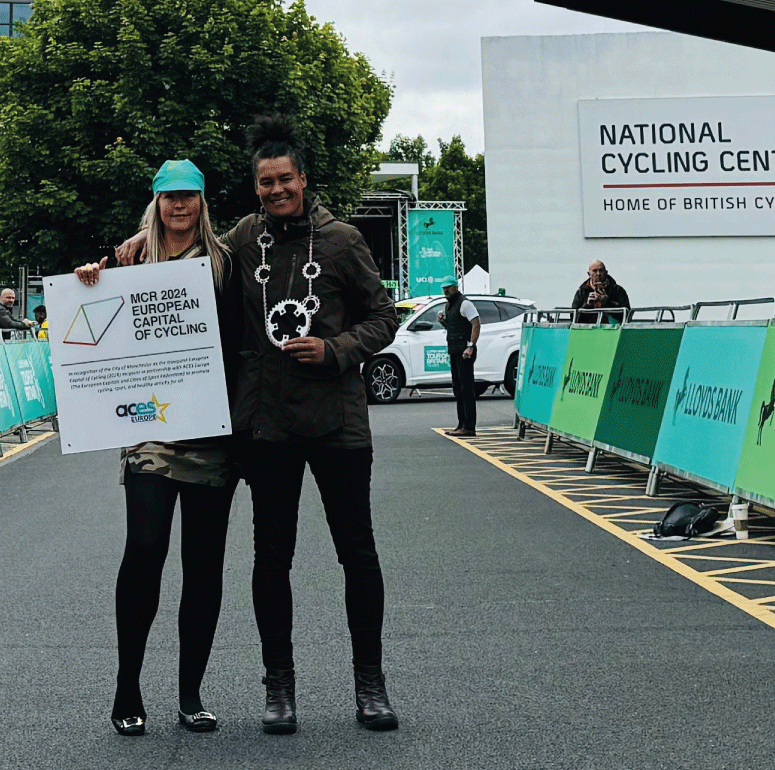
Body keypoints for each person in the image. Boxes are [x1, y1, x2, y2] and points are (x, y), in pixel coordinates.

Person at [223, 116, 399, 733]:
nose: (276, 191)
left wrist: (336, 349)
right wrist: (129, 252)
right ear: (257, 188)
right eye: (266, 183)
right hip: (268, 424)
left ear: (304, 178)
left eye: (285, 179)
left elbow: (384, 318)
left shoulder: (344, 240)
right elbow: (189, 265)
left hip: (338, 422)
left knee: (358, 553)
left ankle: (370, 685)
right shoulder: (244, 239)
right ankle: (279, 687)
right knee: (271, 558)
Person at [75, 160, 239, 737]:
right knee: (144, 548)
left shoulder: (225, 263)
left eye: (189, 197)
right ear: (156, 202)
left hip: (211, 434)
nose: (179, 206)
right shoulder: (129, 260)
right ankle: (127, 685)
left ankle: (190, 693)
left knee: (203, 567)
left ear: (202, 201)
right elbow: (92, 314)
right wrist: (88, 281)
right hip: (149, 430)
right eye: (169, 197)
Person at [437, 276, 481, 438]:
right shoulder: (450, 306)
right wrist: (443, 321)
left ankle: (469, 426)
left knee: (466, 388)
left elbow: (476, 323)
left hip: (465, 351)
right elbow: (454, 327)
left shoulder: (465, 303)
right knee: (458, 389)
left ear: (456, 287)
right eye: (444, 288)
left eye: (448, 287)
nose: (446, 290)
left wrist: (471, 346)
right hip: (455, 350)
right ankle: (461, 424)